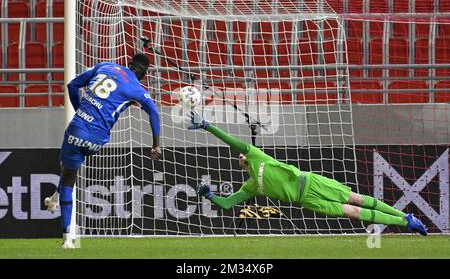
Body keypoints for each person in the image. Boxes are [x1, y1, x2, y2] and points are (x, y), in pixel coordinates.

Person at [188, 112, 428, 236]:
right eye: (239, 159)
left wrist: (208, 126)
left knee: (356, 198)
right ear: (241, 167)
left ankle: (404, 216)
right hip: (307, 201)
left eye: (242, 155)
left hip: (311, 181)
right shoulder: (250, 186)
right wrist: (209, 195)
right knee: (353, 213)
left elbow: (231, 142)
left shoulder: (257, 156)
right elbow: (228, 204)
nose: (241, 156)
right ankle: (405, 222)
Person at [44, 53, 162, 249]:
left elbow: (72, 85)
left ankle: (67, 239)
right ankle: (54, 199)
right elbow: (155, 113)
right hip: (98, 140)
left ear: (129, 63)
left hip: (77, 129)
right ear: (144, 74)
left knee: (68, 177)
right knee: (69, 167)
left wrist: (79, 110)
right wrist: (156, 144)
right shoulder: (137, 88)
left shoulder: (104, 66)